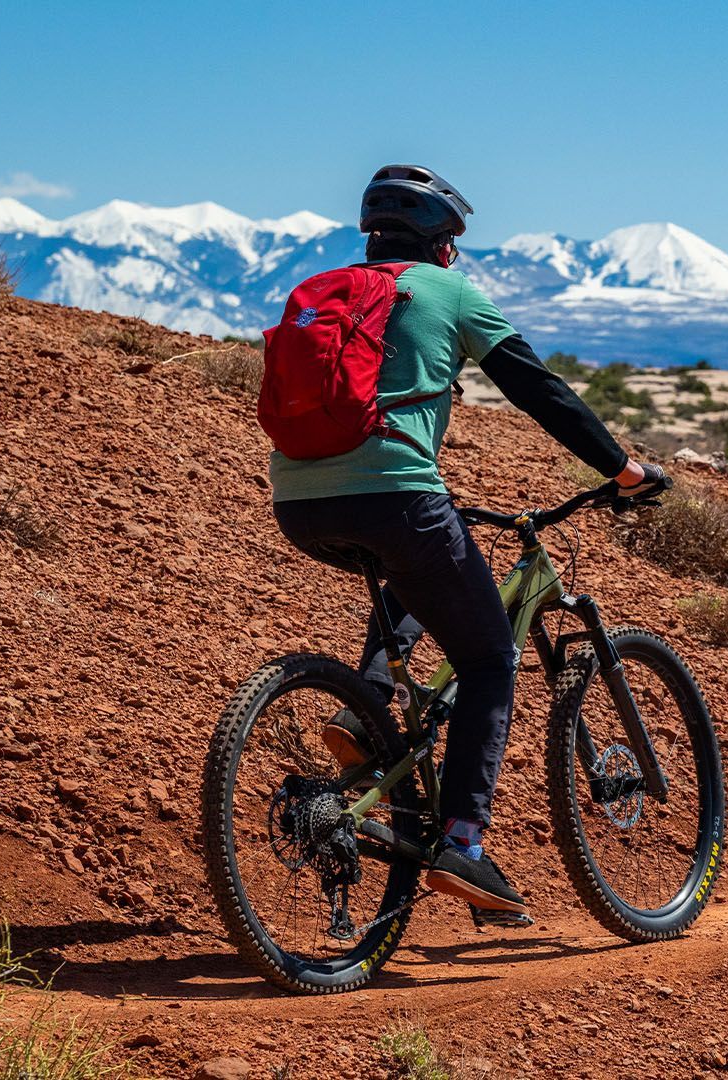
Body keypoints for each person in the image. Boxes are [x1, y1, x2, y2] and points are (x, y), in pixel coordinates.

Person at [269, 164, 666, 917]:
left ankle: (365, 710)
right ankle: (463, 843)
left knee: (416, 568)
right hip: (397, 497)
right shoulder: (449, 293)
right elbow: (536, 388)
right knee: (487, 656)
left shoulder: (328, 292)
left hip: (299, 505)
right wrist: (620, 467)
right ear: (443, 244)